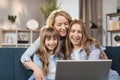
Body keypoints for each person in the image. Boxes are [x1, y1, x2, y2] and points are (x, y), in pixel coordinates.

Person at [21, 9, 72, 80]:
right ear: (52, 26)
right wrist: (37, 69)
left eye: (66, 24)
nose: (63, 28)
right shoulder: (43, 39)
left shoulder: (71, 37)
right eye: (59, 24)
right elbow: (24, 57)